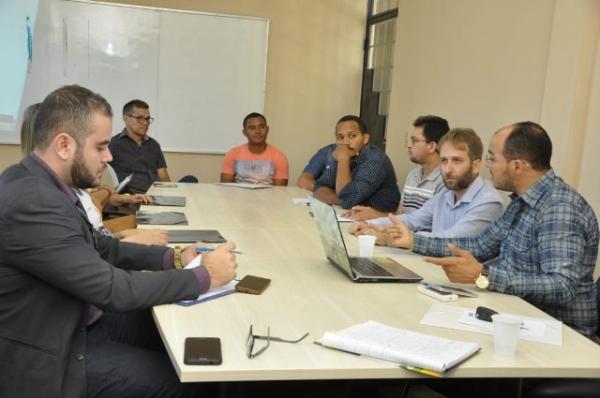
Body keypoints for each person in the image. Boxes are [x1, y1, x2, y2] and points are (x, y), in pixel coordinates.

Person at [0, 85, 238, 397]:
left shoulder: (44, 185)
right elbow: (112, 289)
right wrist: (205, 275)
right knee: (192, 387)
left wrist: (175, 257)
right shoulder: (32, 200)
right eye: (100, 147)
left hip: (81, 318)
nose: (109, 156)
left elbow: (102, 247)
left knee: (180, 334)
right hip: (58, 349)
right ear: (63, 145)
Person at [383, 122, 599, 338]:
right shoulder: (521, 203)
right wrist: (413, 241)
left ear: (517, 166)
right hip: (518, 317)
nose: (487, 165)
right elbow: (480, 245)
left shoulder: (559, 208)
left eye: (493, 158)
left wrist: (483, 276)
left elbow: (562, 285)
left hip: (561, 334)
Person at [20, 102, 166, 246]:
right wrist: (128, 241)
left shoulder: (70, 188)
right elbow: (84, 256)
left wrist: (119, 235)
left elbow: (94, 238)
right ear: (62, 145)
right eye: (95, 147)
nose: (108, 157)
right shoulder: (40, 202)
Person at [352, 127, 503, 240]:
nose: (448, 169)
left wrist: (391, 237)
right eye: (444, 161)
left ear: (476, 165)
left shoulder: (489, 201)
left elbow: (452, 239)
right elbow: (413, 219)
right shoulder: (446, 193)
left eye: (457, 160)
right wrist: (371, 224)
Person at [344, 115, 449, 220]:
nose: (409, 146)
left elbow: (429, 226)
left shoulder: (445, 182)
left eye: (414, 141)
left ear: (431, 146)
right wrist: (369, 214)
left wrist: (375, 216)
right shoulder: (413, 175)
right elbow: (401, 215)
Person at [297, 115, 400, 212]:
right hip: (353, 215)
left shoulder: (375, 159)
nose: (345, 142)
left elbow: (346, 200)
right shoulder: (340, 153)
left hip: (382, 219)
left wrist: (343, 160)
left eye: (352, 136)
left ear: (365, 139)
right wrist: (348, 199)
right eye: (340, 137)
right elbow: (320, 190)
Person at [108, 99, 171, 193]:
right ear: (126, 119)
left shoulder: (154, 145)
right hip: (133, 199)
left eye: (147, 119)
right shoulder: (113, 144)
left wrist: (170, 193)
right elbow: (101, 176)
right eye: (140, 118)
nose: (145, 123)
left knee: (190, 180)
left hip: (157, 196)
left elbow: (164, 177)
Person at [220, 112, 289, 185]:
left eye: (261, 127)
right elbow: (225, 188)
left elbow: (280, 192)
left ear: (267, 129)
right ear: (244, 132)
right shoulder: (233, 154)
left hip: (267, 196)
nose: (258, 131)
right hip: (238, 195)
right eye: (252, 128)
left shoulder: (279, 157)